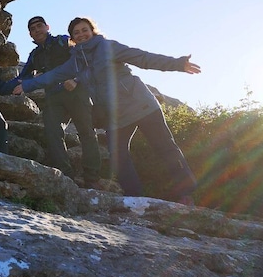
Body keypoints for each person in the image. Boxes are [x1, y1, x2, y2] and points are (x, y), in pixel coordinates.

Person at [13, 16, 201, 204]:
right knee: (118, 156)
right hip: (116, 115)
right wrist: (28, 85)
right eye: (76, 33)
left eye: (84, 30)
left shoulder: (108, 47)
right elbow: (54, 75)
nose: (81, 35)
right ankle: (135, 199)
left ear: (92, 30)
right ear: (72, 37)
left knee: (165, 147)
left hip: (141, 105)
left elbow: (142, 58)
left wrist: (177, 64)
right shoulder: (76, 60)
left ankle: (186, 194)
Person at [11, 16, 101, 188]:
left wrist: (76, 79)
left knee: (87, 133)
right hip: (53, 96)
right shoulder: (35, 55)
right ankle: (66, 176)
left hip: (76, 92)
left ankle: (92, 179)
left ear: (47, 27)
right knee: (52, 132)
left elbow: (84, 60)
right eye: (33, 29)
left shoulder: (64, 41)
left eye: (40, 26)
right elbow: (23, 77)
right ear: (30, 34)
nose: (37, 30)